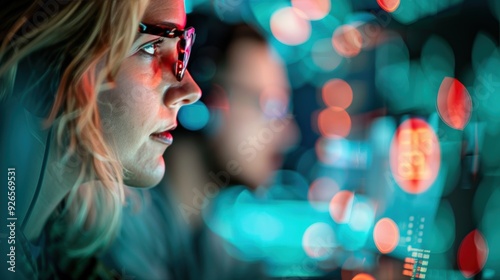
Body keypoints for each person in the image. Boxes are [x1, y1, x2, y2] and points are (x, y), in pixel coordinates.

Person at [0, 0, 200, 278]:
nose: (191, 90)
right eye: (151, 47)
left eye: (182, 48)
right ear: (48, 68)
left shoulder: (62, 254)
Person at [102, 15, 299, 280]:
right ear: (204, 104)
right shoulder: (118, 225)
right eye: (273, 108)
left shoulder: (207, 242)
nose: (289, 136)